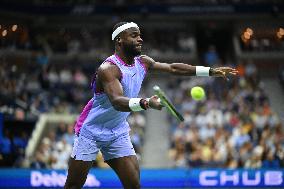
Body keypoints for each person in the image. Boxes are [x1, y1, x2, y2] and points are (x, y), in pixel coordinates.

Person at [64, 22, 238, 189]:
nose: (140, 39)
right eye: (134, 36)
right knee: (73, 185)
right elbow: (117, 101)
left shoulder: (143, 62)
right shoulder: (108, 69)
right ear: (119, 40)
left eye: (140, 35)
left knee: (134, 185)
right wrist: (146, 102)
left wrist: (209, 71)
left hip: (117, 131)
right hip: (91, 131)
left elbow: (173, 68)